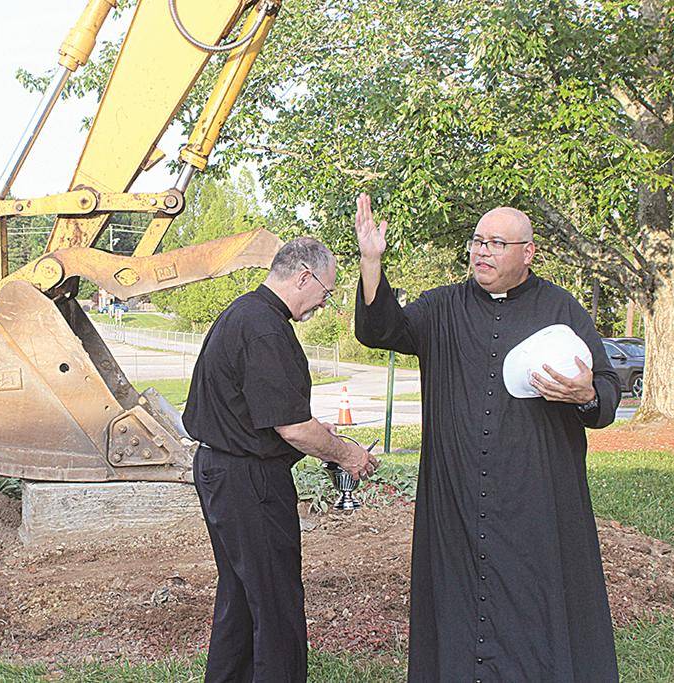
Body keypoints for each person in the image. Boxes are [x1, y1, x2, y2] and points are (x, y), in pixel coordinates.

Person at [353, 195, 621, 682]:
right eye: (477, 241)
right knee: (459, 603)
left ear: (528, 253)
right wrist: (372, 262)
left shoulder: (561, 309)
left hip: (535, 498)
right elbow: (381, 330)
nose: (482, 252)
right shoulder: (442, 306)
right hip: (457, 498)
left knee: (534, 606)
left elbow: (604, 395)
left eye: (496, 243)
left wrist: (584, 393)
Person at [183, 236, 377, 683]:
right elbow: (290, 428)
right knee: (275, 606)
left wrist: (316, 430)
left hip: (223, 470)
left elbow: (267, 413)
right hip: (249, 481)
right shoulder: (266, 328)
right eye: (327, 293)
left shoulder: (245, 312)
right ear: (304, 276)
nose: (324, 304)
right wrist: (349, 454)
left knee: (241, 597)